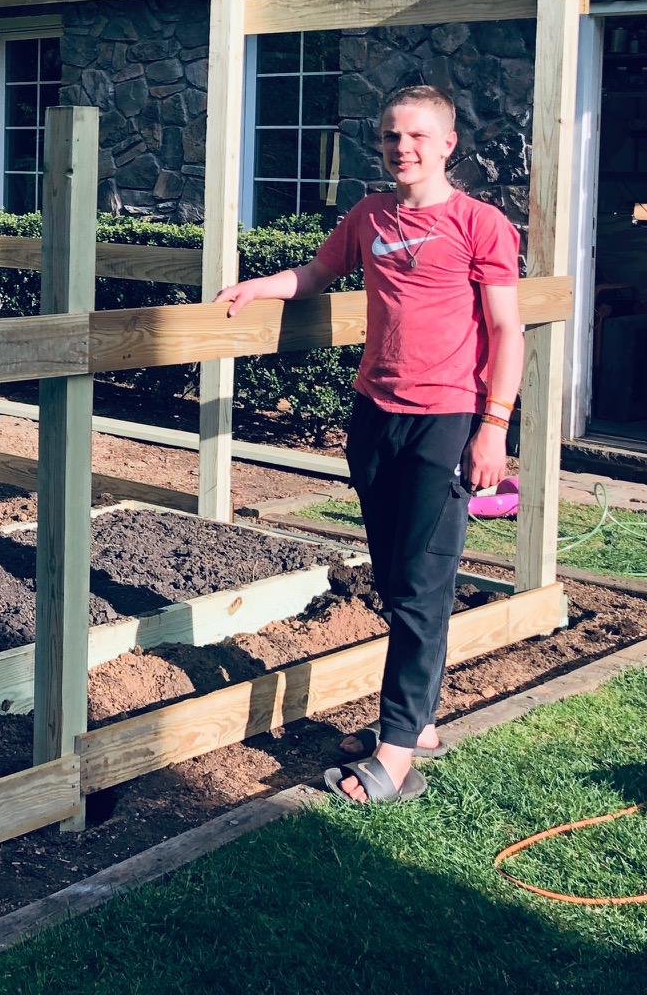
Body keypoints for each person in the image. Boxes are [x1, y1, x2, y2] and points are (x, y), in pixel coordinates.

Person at [217, 85, 523, 804]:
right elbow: (318, 274)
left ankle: (396, 749)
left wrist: (494, 427)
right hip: (373, 414)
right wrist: (262, 287)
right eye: (390, 136)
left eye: (416, 136)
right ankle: (416, 724)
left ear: (449, 144)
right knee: (393, 577)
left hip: (445, 419)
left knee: (422, 586)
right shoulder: (370, 215)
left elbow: (507, 331)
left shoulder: (481, 224)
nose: (401, 148)